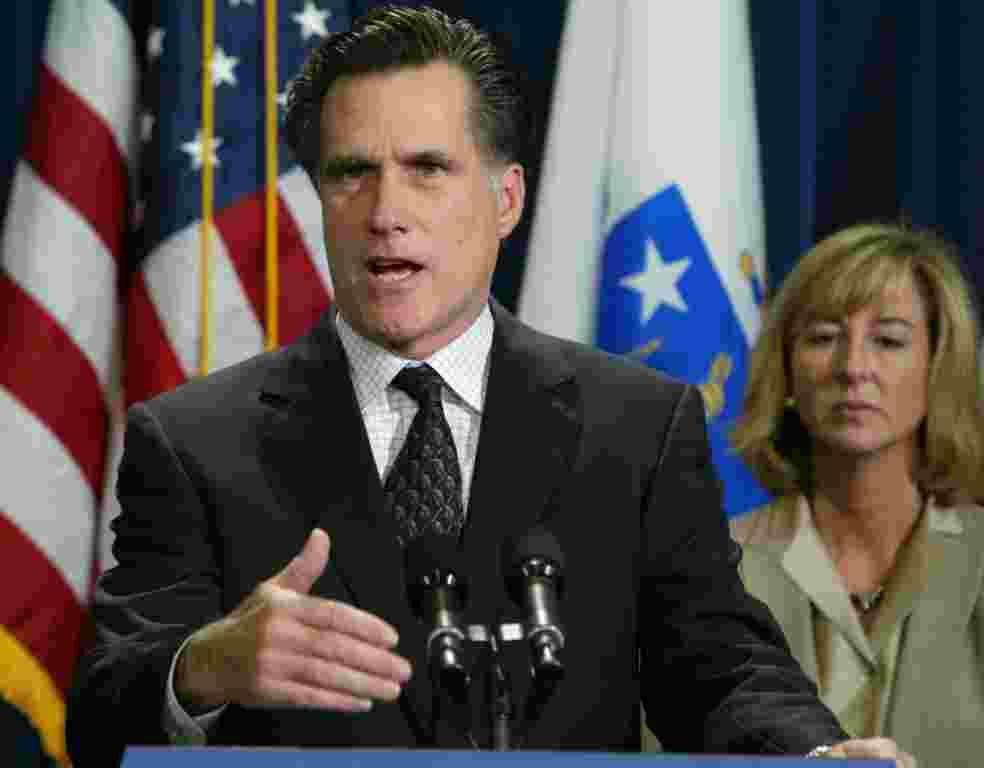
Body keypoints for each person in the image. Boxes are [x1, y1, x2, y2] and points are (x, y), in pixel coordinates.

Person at [67, 6, 913, 766]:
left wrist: (819, 754)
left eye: (428, 168)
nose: (385, 209)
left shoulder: (636, 427)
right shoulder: (193, 441)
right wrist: (204, 669)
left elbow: (721, 670)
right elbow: (99, 721)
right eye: (351, 171)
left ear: (506, 198)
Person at [731, 222, 984, 766]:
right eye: (823, 337)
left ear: (937, 367)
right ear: (789, 373)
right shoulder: (712, 568)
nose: (853, 368)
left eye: (888, 340)